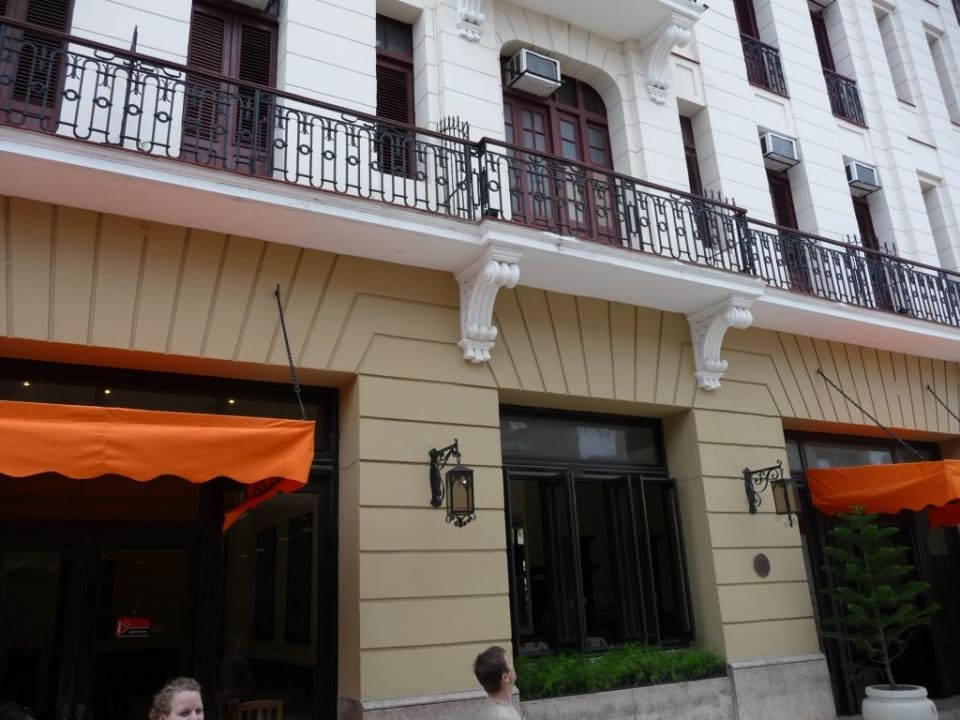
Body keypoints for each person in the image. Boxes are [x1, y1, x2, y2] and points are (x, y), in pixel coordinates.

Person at [473, 646, 520, 720]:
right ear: (505, 677)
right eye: (509, 662)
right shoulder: (504, 717)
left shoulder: (492, 704)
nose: (512, 663)